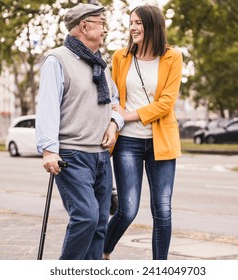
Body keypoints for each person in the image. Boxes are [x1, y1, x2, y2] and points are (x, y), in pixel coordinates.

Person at [35, 3, 123, 260]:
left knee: (99, 225)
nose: (105, 29)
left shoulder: (101, 65)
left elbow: (115, 103)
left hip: (101, 156)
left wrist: (114, 122)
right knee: (86, 216)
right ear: (85, 26)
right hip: (72, 155)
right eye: (101, 23)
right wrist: (49, 150)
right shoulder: (58, 59)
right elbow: (48, 107)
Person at [103, 4, 183, 260]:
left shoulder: (173, 57)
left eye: (139, 23)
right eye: (131, 23)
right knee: (127, 209)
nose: (133, 27)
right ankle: (102, 252)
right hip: (128, 142)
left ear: (153, 26)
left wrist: (129, 114)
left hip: (161, 142)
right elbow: (114, 98)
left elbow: (166, 103)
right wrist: (117, 120)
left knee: (162, 210)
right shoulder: (120, 57)